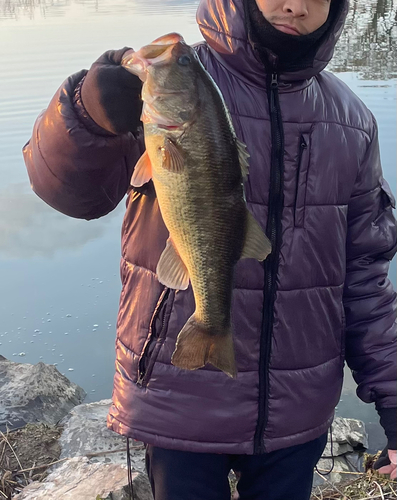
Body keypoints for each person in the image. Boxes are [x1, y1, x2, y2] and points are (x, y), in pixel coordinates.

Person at [23, 0, 397, 498]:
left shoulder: (352, 121)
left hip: (298, 410)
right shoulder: (155, 95)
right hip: (179, 396)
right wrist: (88, 116)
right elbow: (73, 196)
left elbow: (365, 279)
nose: (296, 5)